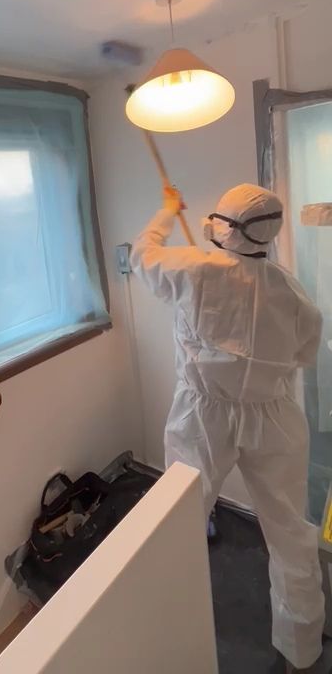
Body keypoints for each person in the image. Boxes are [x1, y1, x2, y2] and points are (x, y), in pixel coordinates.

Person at [131, 183, 326, 673]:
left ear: (226, 225)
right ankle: (302, 651)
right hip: (274, 417)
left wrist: (166, 210)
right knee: (290, 533)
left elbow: (142, 256)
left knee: (176, 523)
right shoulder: (294, 294)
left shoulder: (193, 267)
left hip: (203, 415)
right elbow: (302, 356)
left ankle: (166, 641)